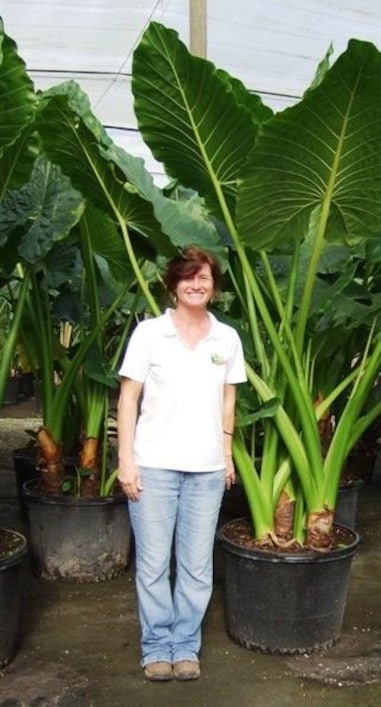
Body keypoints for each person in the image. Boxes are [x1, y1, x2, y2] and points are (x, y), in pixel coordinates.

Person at [117, 245, 247, 682]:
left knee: (196, 565)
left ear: (214, 287)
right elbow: (128, 398)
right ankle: (156, 647)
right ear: (173, 284)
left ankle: (185, 646)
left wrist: (226, 456)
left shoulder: (226, 338)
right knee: (153, 565)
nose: (196, 284)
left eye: (204, 278)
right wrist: (126, 462)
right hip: (153, 466)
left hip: (207, 470)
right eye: (188, 277)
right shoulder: (150, 334)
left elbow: (228, 400)